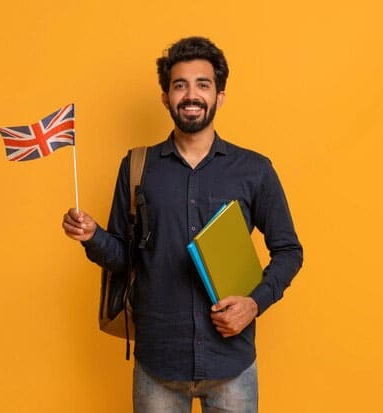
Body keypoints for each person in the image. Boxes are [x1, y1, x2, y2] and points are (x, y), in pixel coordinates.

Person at [62, 36, 303, 413]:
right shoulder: (138, 168)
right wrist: (93, 236)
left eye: (203, 84)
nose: (191, 95)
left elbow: (289, 251)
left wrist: (254, 304)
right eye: (180, 85)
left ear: (220, 96)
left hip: (231, 363)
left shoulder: (255, 170)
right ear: (165, 97)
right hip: (158, 362)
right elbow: (125, 260)